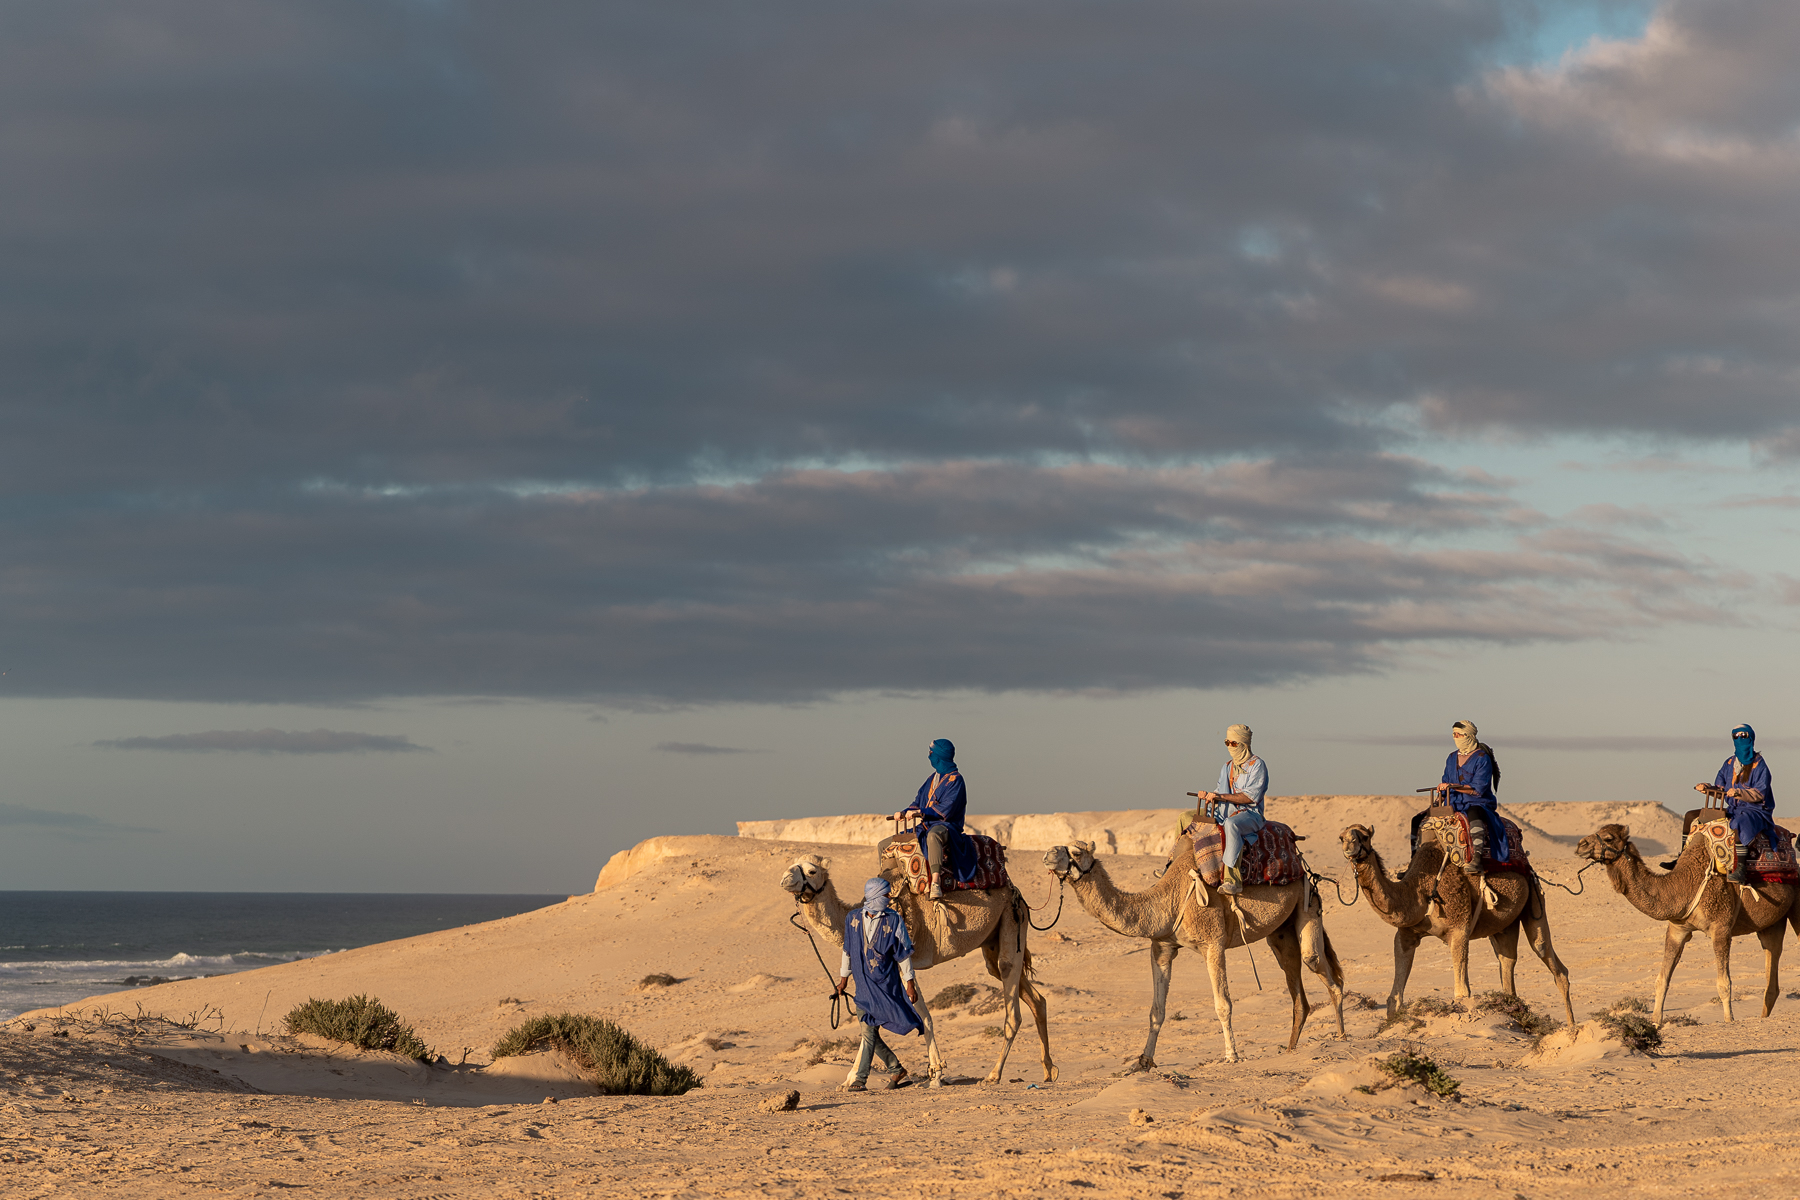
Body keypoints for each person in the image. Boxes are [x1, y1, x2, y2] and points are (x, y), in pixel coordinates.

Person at [834, 877, 921, 1092]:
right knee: (869, 1031)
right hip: (862, 985)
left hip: (885, 984)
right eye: (886, 895)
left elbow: (903, 955)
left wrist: (909, 983)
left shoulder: (894, 920)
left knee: (868, 1032)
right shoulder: (852, 919)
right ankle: (895, 1069)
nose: (889, 898)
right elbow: (848, 950)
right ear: (874, 896)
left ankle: (860, 1079)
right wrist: (843, 979)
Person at [1696, 723, 1776, 885]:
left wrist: (1740, 793)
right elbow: (1720, 787)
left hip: (1756, 810)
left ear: (1751, 738)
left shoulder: (1760, 765)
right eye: (1736, 736)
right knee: (1693, 816)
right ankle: (1681, 857)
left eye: (1743, 735)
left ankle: (1740, 869)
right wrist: (1708, 788)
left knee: (1739, 823)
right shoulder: (1729, 763)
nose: (1740, 739)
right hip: (1734, 808)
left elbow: (1760, 793)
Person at [890, 738, 967, 900]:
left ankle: (936, 883)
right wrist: (904, 812)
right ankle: (887, 882)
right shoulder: (932, 779)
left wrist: (921, 812)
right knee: (890, 843)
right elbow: (917, 802)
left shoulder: (956, 780)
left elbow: (946, 810)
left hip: (946, 826)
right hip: (925, 825)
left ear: (939, 756)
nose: (929, 756)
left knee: (934, 836)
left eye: (931, 753)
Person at [1194, 724, 1266, 896]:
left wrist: (1222, 797)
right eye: (1227, 742)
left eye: (1233, 743)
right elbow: (1220, 790)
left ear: (1244, 744)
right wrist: (1209, 795)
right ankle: (1171, 866)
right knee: (1186, 817)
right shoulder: (1227, 766)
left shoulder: (1257, 766)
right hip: (1225, 810)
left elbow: (1250, 797)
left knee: (1232, 825)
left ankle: (1233, 880)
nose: (1229, 747)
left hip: (1249, 814)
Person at [1434, 720, 1510, 877]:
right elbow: (1445, 780)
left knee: (1474, 815)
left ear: (1468, 736)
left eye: (1459, 734)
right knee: (1420, 819)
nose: (1455, 738)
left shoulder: (1482, 758)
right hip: (1453, 802)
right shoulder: (1451, 758)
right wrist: (1439, 798)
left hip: (1477, 802)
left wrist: (1452, 786)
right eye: (1453, 734)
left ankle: (1476, 859)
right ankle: (1415, 862)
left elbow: (1478, 789)